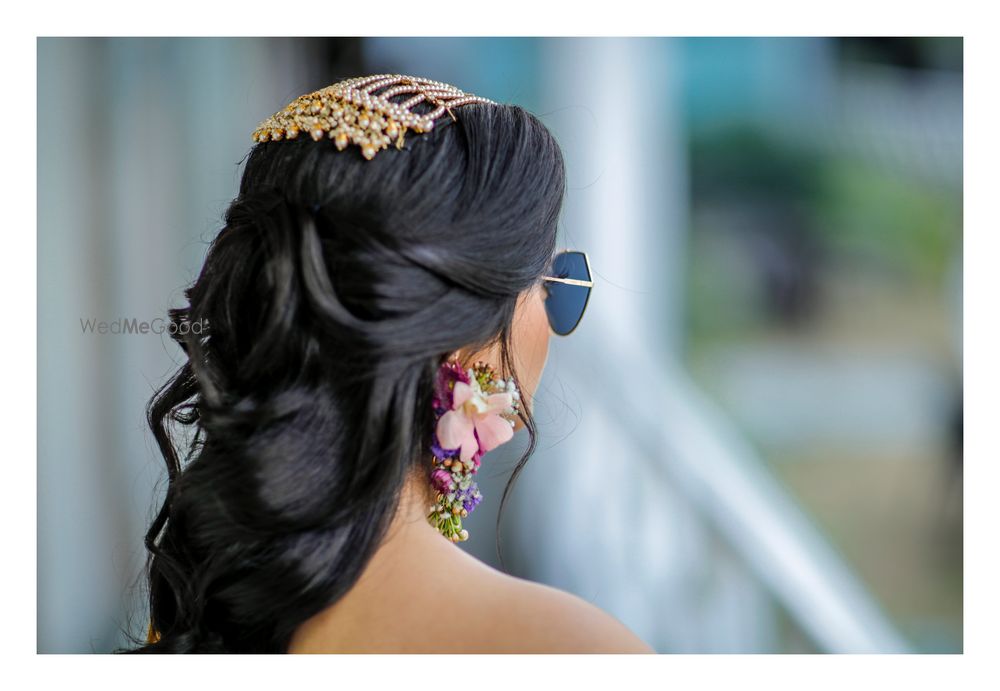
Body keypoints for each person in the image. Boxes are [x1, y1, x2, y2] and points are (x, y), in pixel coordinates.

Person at [127, 75, 652, 654]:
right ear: (458, 344)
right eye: (558, 285)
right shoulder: (571, 650)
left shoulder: (211, 601)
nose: (556, 322)